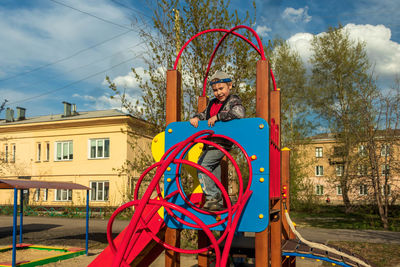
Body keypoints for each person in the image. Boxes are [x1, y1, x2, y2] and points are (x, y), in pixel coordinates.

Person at [189, 70, 245, 211]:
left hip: (220, 143)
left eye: (221, 88)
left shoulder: (233, 100)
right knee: (211, 170)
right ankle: (218, 201)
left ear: (229, 86)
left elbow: (239, 112)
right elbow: (204, 114)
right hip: (209, 144)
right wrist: (196, 117)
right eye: (215, 90)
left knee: (202, 166)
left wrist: (218, 117)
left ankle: (213, 197)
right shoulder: (212, 103)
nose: (218, 93)